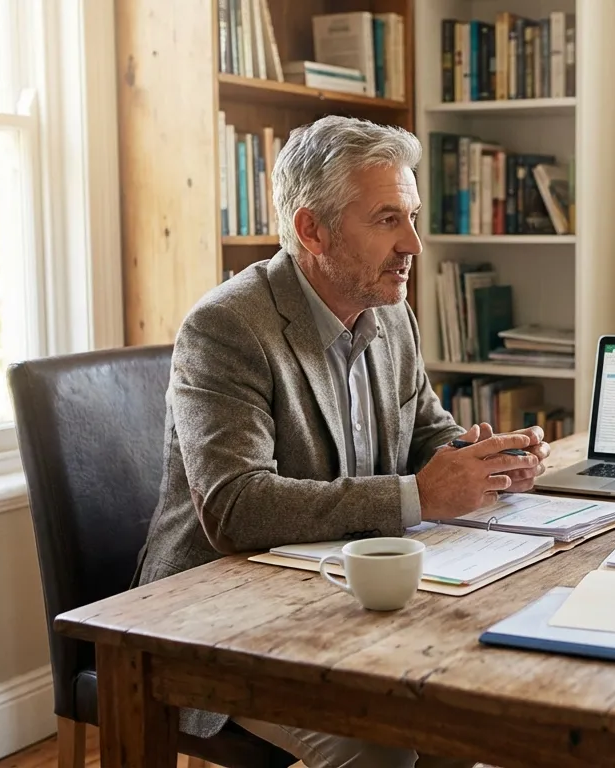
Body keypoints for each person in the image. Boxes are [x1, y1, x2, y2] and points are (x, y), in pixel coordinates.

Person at [134, 115, 548, 767]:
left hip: (347, 597)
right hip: (221, 615)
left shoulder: (392, 314)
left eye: (411, 217)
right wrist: (419, 494)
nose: (413, 243)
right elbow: (236, 508)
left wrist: (485, 461)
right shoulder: (227, 329)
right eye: (387, 219)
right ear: (311, 229)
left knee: (468, 708)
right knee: (382, 745)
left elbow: (426, 434)